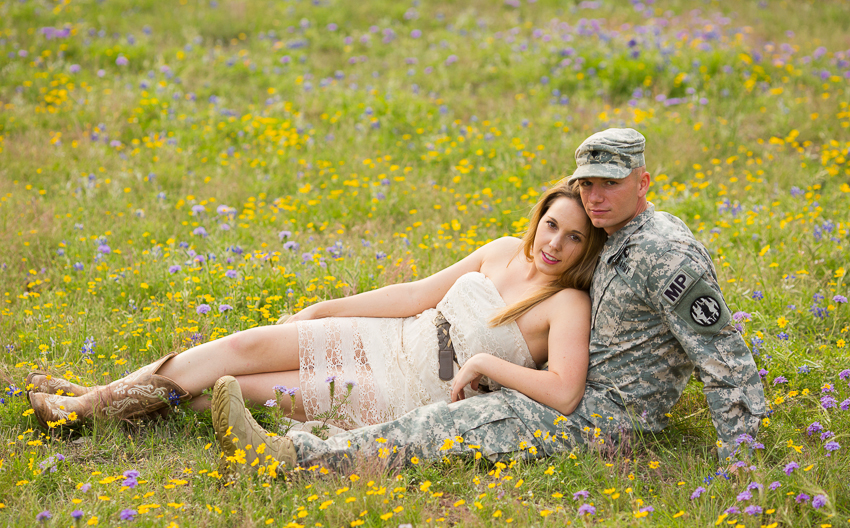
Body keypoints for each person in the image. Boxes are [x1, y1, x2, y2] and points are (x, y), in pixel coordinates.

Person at [211, 127, 767, 478]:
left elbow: (723, 354)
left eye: (611, 184)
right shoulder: (608, 233)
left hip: (606, 416)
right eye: (588, 183)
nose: (595, 197)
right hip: (562, 381)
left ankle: (290, 460)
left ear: (643, 182)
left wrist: (741, 460)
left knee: (445, 427)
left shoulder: (667, 254)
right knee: (449, 405)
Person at [26, 182, 607, 433]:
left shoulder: (568, 304)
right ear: (539, 218)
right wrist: (326, 306)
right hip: (392, 337)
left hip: (413, 389)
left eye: (574, 238)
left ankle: (92, 407)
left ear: (587, 247)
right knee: (242, 346)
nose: (555, 244)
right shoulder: (503, 252)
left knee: (245, 390)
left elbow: (564, 390)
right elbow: (415, 295)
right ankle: (89, 402)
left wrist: (484, 367)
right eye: (552, 225)